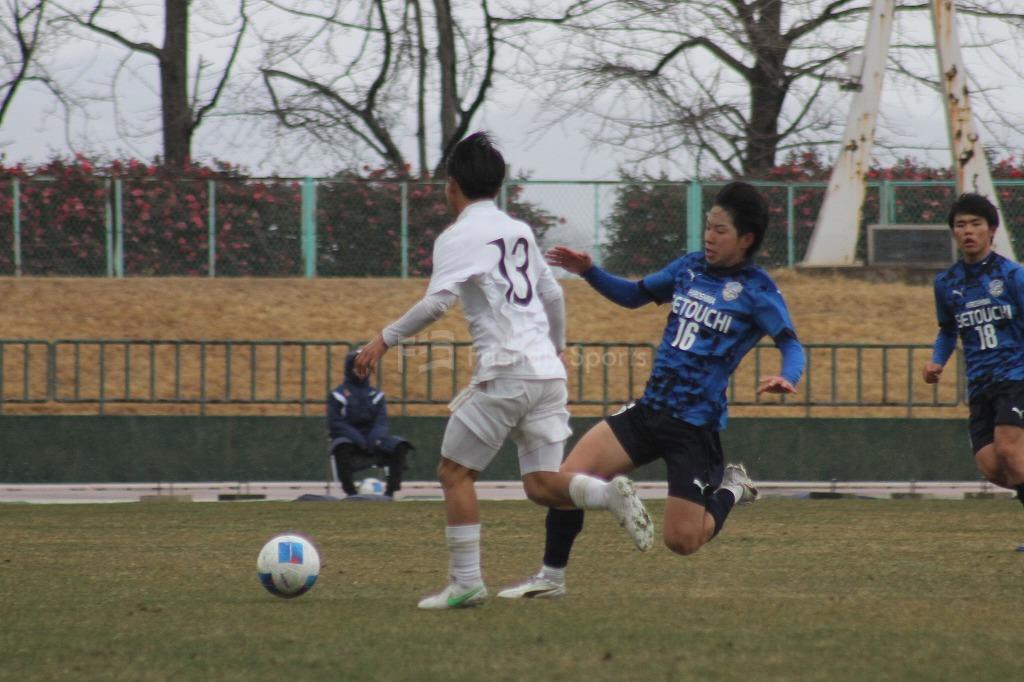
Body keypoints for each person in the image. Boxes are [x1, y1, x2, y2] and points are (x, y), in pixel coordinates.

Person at [354, 131, 652, 610]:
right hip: (546, 374)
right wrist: (557, 350)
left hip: (506, 372)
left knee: (454, 472)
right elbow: (553, 294)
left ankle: (466, 582)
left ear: (452, 185)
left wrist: (382, 339)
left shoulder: (457, 236)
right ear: (498, 185)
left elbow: (438, 303)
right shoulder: (519, 231)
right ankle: (605, 495)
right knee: (541, 485)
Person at [498, 181, 806, 600]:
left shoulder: (758, 291)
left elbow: (790, 343)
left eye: (720, 230)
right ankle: (551, 579)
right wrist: (589, 270)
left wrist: (789, 376)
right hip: (648, 412)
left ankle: (732, 487)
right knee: (568, 481)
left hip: (693, 428)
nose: (709, 237)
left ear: (746, 239)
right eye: (708, 226)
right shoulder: (689, 268)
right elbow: (634, 295)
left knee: (682, 541)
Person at [923, 192, 1024, 535]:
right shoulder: (946, 284)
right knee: (992, 465)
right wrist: (936, 362)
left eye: (975, 224)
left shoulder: (1012, 276)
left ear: (992, 230)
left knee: (1009, 449)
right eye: (960, 225)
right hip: (980, 383)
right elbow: (947, 330)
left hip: (1016, 376)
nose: (968, 231)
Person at [327, 351, 413, 498]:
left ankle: (390, 493)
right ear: (350, 369)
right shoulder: (337, 395)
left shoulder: (376, 395)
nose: (362, 371)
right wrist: (358, 439)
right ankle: (351, 493)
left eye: (366, 367)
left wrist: (374, 438)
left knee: (399, 445)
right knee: (341, 447)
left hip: (374, 441)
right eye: (358, 367)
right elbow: (335, 423)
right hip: (351, 441)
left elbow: (382, 422)